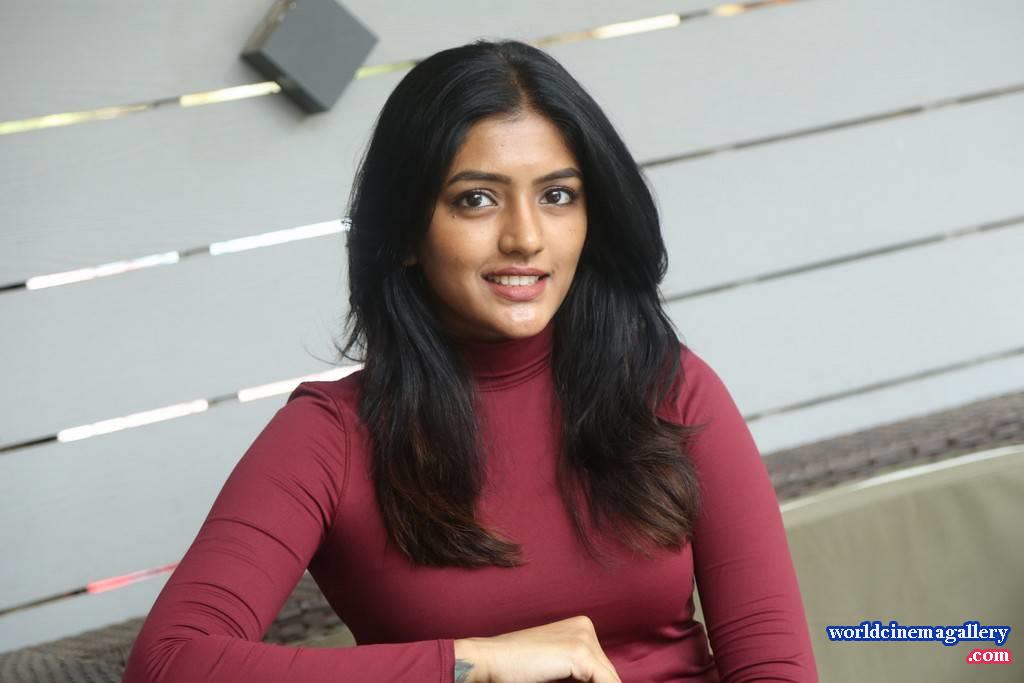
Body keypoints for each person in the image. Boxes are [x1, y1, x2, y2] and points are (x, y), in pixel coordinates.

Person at [122, 39, 818, 682]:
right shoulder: (330, 439)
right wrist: (473, 664)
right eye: (476, 199)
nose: (525, 237)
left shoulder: (670, 388)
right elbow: (168, 664)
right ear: (405, 233)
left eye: (557, 195)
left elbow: (774, 665)